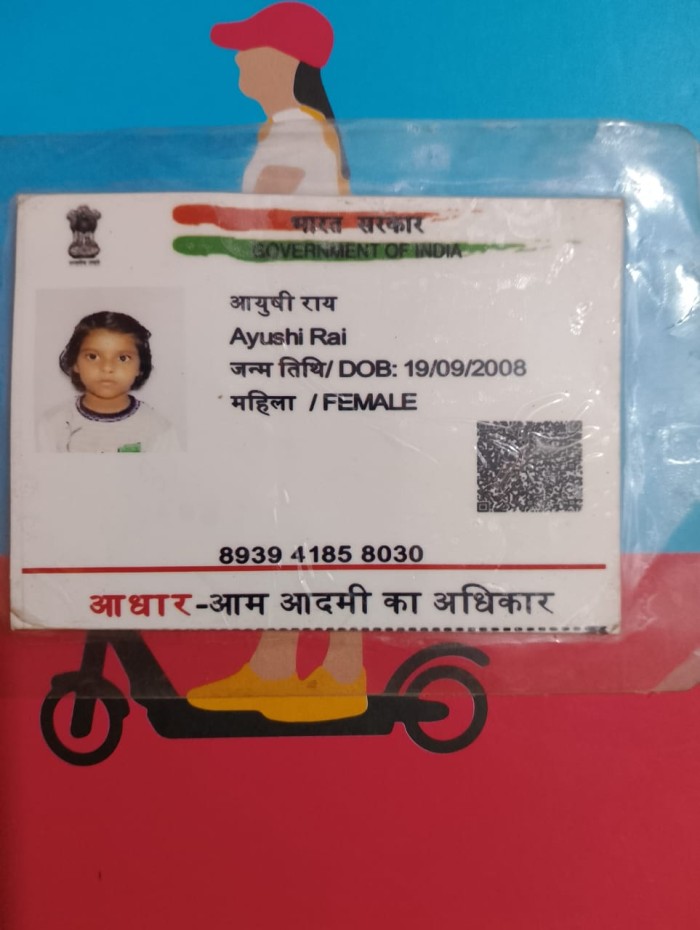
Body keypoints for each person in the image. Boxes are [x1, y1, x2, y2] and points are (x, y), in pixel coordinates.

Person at [186, 3, 365, 722]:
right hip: (289, 346)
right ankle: (280, 664)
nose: (236, 61)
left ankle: (338, 672)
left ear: (284, 60)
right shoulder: (296, 132)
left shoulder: (298, 137)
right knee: (294, 516)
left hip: (299, 351)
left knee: (312, 517)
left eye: (247, 49)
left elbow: (263, 229)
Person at [39, 311, 179, 453]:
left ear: (140, 367)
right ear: (75, 363)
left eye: (123, 358)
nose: (107, 368)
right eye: (93, 356)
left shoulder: (159, 431)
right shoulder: (52, 425)